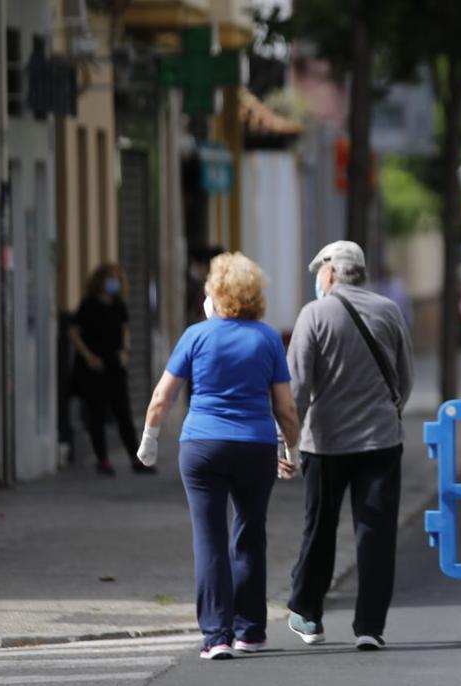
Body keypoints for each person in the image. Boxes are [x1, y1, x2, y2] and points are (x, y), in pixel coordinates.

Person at [135, 252, 302, 661]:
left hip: (202, 446)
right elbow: (285, 408)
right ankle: (250, 630)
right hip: (254, 446)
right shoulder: (266, 338)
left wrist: (149, 439)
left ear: (216, 293)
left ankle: (216, 637)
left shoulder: (196, 335)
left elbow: (162, 397)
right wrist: (291, 450)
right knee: (249, 533)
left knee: (208, 538)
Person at [285, 240, 414, 652]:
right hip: (381, 441)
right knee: (375, 533)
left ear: (329, 273)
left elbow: (299, 389)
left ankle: (308, 614)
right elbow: (404, 379)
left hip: (325, 444)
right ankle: (370, 627)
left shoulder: (314, 314)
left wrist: (285, 442)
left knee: (320, 530)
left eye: (317, 274)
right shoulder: (389, 311)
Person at [68, 263, 153, 476]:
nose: (114, 282)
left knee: (123, 412)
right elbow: (74, 332)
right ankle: (102, 460)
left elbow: (125, 330)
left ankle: (136, 458)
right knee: (96, 413)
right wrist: (88, 357)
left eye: (116, 278)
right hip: (94, 368)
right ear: (100, 281)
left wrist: (125, 351)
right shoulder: (88, 305)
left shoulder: (118, 305)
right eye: (110, 278)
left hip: (115, 366)